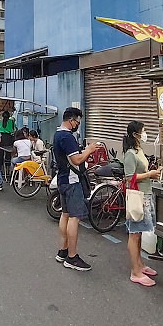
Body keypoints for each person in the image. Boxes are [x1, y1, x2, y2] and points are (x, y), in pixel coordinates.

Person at [53, 107, 102, 272]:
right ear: (71, 120)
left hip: (62, 179)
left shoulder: (57, 134)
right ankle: (72, 257)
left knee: (65, 215)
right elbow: (76, 159)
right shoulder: (67, 137)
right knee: (74, 218)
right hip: (72, 182)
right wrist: (89, 150)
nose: (77, 125)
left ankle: (63, 250)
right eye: (77, 122)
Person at [122, 120, 162, 287]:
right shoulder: (130, 153)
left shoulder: (139, 150)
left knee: (139, 233)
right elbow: (129, 176)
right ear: (135, 134)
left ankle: (140, 264)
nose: (145, 134)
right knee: (134, 233)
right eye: (143, 131)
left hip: (145, 194)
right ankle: (135, 271)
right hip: (137, 196)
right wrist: (150, 174)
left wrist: (151, 172)